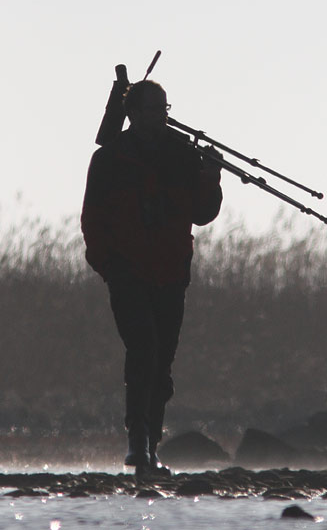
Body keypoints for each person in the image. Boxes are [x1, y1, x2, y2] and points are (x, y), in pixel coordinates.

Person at [81, 80, 222, 474]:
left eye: (165, 107)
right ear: (133, 113)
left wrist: (211, 177)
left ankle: (151, 444)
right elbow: (92, 218)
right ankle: (137, 441)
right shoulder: (111, 159)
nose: (162, 115)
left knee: (162, 360)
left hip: (172, 272)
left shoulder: (182, 154)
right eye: (154, 109)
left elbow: (202, 212)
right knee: (142, 348)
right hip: (127, 271)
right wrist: (108, 264)